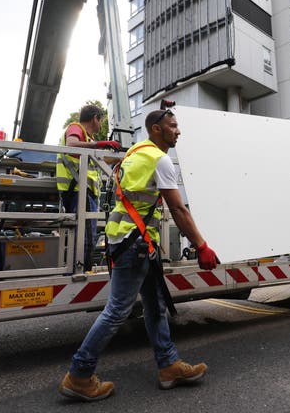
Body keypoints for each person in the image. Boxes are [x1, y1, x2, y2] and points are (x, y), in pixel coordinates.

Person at [59, 108, 219, 401]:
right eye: (172, 126)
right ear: (156, 129)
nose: (178, 131)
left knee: (155, 305)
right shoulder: (159, 159)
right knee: (118, 310)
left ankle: (169, 365)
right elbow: (178, 209)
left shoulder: (135, 154)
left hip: (133, 242)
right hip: (136, 244)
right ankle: (79, 375)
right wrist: (201, 246)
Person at [56, 104, 121, 271]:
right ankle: (80, 270)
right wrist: (100, 144)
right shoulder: (75, 128)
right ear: (95, 118)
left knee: (87, 234)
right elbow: (71, 144)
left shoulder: (88, 141)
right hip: (78, 189)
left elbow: (101, 161)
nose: (100, 126)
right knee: (85, 236)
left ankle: (81, 268)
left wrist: (120, 156)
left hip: (83, 191)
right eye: (101, 121)